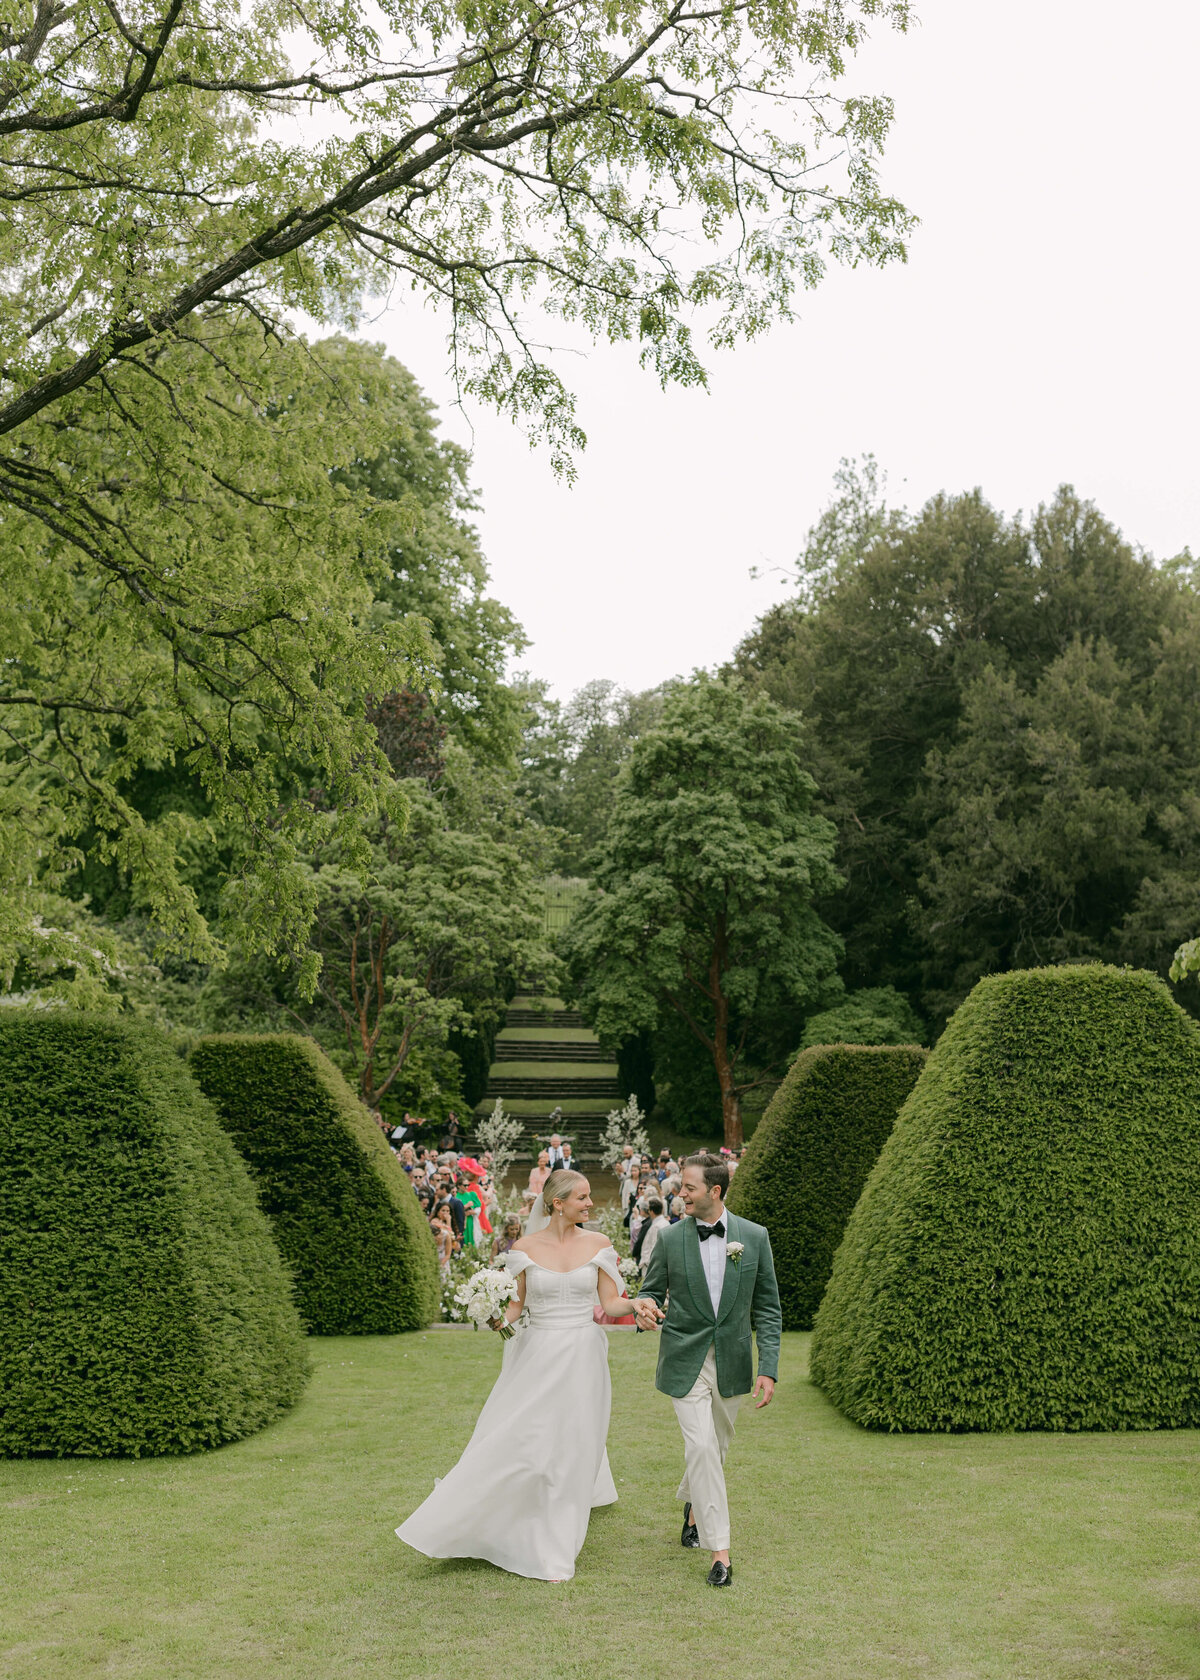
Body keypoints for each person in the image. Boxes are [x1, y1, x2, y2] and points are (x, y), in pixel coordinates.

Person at [396, 1168, 634, 1581]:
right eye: (582, 1197)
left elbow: (610, 1304)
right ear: (557, 1203)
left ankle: (559, 1528)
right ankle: (484, 1510)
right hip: (537, 1351)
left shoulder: (599, 1245)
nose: (590, 1203)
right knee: (524, 1433)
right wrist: (493, 1313)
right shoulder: (523, 1248)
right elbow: (516, 1307)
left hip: (583, 1352)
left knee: (575, 1438)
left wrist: (640, 1305)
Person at [634, 1151, 781, 1589]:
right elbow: (651, 1290)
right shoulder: (671, 1238)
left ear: (714, 1191)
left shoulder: (754, 1237)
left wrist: (768, 1367)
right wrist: (647, 1309)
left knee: (715, 1446)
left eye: (689, 1188)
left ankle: (694, 1506)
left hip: (733, 1361)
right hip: (684, 1358)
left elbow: (768, 1309)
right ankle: (720, 1551)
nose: (680, 1194)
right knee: (700, 1447)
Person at [637, 1196, 671, 1271]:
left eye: (648, 1210)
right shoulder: (666, 1222)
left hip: (650, 1266)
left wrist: (646, 1263)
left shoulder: (657, 1226)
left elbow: (654, 1247)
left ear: (652, 1211)